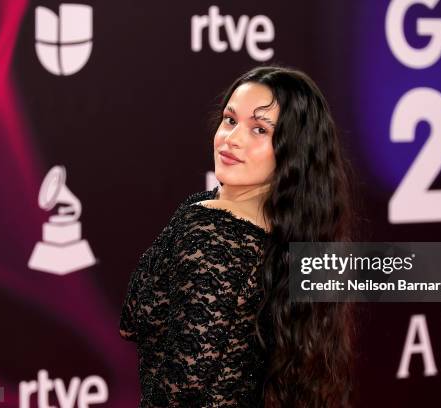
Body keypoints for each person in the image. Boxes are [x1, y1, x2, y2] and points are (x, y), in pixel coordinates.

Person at [120, 65, 357, 407]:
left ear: (291, 151)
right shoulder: (296, 233)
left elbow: (169, 367)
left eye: (259, 129)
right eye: (230, 120)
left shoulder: (210, 228)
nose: (232, 139)